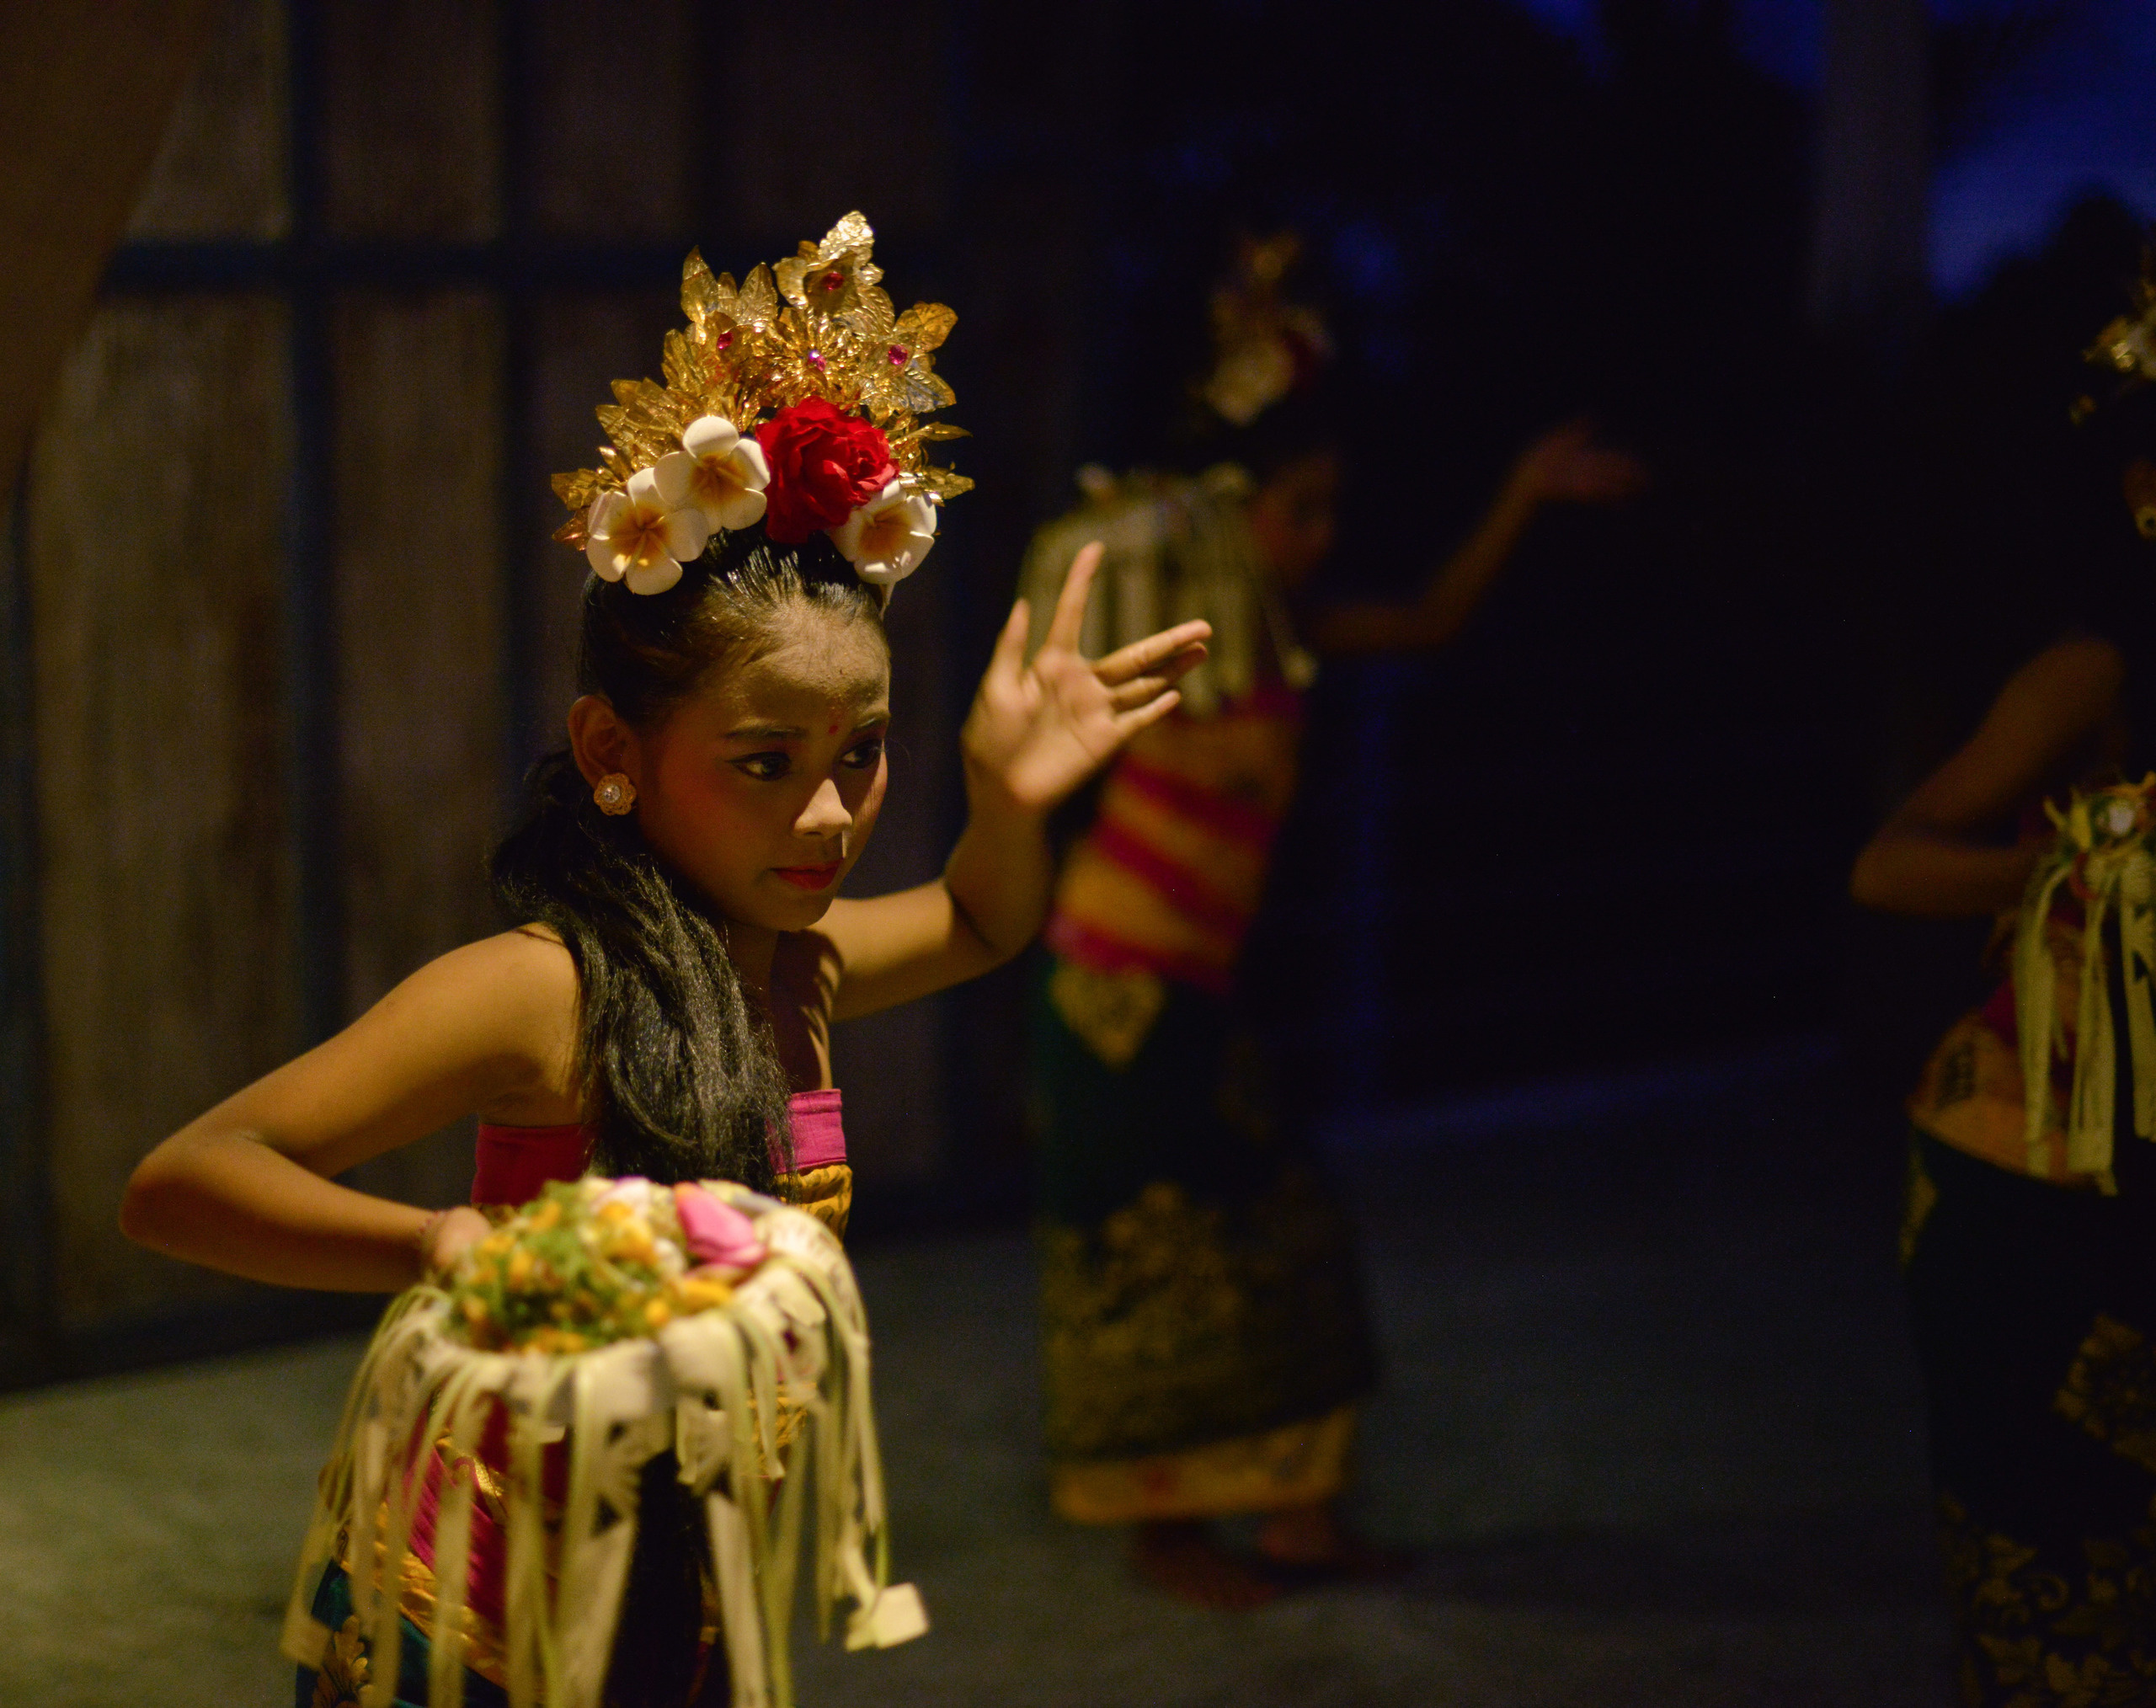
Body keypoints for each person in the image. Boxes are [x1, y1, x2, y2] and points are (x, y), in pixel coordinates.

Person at [118, 214, 1209, 1706]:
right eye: (767, 764)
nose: (831, 816)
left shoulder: (798, 963)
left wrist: (1011, 798)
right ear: (612, 753)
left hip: (681, 1598)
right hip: (483, 1623)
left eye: (865, 755)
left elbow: (979, 922)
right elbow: (185, 1177)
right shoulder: (541, 991)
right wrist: (436, 1245)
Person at [1022, 234, 1646, 1608]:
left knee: (1291, 1248)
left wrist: (1526, 492)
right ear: (1221, 514)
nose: (1318, 536)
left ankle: (1300, 1519)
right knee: (1157, 1265)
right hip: (1114, 995)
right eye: (1296, 508)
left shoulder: (1289, 640)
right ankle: (1167, 1536)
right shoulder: (1160, 626)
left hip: (1198, 998)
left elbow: (1427, 620)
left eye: (1329, 508)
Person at [1850, 238, 2156, 1704]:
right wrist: (2081, 872)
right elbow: (1888, 865)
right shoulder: (2090, 676)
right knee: (2058, 1606)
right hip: (2020, 1190)